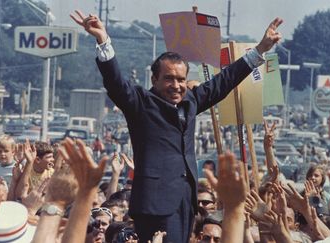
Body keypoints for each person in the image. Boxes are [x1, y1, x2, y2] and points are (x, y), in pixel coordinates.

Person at [71, 10, 282, 243]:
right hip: (154, 204)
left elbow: (224, 81)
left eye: (181, 79)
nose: (177, 86)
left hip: (185, 201)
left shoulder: (190, 101)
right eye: (169, 78)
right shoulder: (140, 103)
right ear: (155, 80)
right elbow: (116, 82)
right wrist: (103, 40)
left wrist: (260, 50)